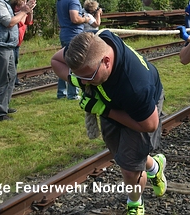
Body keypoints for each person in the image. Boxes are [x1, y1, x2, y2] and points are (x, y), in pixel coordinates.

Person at [50, 30, 167, 215]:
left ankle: (135, 203)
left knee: (129, 168)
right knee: (121, 154)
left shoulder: (136, 87)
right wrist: (77, 79)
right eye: (79, 76)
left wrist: (105, 110)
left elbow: (150, 125)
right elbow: (56, 61)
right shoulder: (92, 45)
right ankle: (154, 166)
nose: (83, 82)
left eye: (88, 76)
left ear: (106, 61)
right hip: (110, 100)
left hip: (140, 112)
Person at [56, 0, 92, 100]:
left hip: (64, 32)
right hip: (74, 34)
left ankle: (61, 93)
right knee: (75, 64)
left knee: (63, 63)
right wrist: (86, 19)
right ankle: (73, 94)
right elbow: (75, 18)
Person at [10, 0, 34, 86]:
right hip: (12, 42)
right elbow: (21, 22)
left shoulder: (22, 14)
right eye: (22, 6)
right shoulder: (16, 16)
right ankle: (12, 80)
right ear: (17, 7)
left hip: (18, 42)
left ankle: (14, 80)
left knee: (15, 61)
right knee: (12, 62)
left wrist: (30, 11)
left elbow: (29, 21)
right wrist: (24, 12)